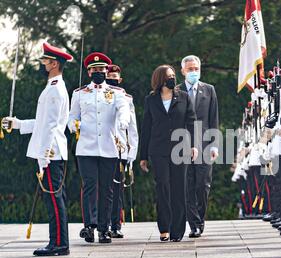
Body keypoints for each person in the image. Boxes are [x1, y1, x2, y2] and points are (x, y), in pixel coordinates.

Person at [1, 42, 72, 256]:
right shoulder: (52, 87)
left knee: (53, 197)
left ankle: (59, 243)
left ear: (54, 64)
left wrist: (44, 158)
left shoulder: (55, 90)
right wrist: (18, 124)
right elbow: (42, 123)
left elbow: (51, 126)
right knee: (52, 198)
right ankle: (57, 242)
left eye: (46, 61)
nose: (43, 65)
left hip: (49, 153)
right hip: (48, 151)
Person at [68, 52, 130, 244]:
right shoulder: (79, 93)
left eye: (101, 69)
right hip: (86, 147)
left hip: (109, 147)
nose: (98, 72)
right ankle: (89, 226)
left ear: (106, 71)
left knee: (107, 189)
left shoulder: (116, 93)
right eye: (94, 70)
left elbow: (123, 110)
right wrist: (73, 126)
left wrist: (123, 121)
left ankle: (104, 229)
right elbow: (72, 117)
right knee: (89, 186)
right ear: (88, 72)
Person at [139, 65, 198, 242]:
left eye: (173, 75)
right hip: (158, 150)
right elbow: (146, 128)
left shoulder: (184, 98)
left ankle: (177, 230)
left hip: (180, 149)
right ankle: (164, 227)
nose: (172, 79)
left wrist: (194, 146)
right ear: (160, 80)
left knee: (179, 189)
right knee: (163, 187)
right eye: (168, 76)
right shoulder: (151, 100)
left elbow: (191, 123)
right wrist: (143, 156)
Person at [178, 55, 219, 238]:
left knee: (203, 185)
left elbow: (214, 119)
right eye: (190, 69)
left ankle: (200, 219)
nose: (193, 72)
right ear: (183, 71)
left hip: (204, 142)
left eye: (196, 69)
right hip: (181, 143)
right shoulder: (176, 91)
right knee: (187, 185)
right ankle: (193, 224)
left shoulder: (209, 90)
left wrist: (214, 145)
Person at [106, 64, 139, 238]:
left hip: (120, 149)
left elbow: (132, 129)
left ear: (120, 79)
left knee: (117, 189)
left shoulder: (127, 98)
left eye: (115, 76)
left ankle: (115, 225)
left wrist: (131, 154)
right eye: (109, 75)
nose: (112, 78)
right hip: (102, 148)